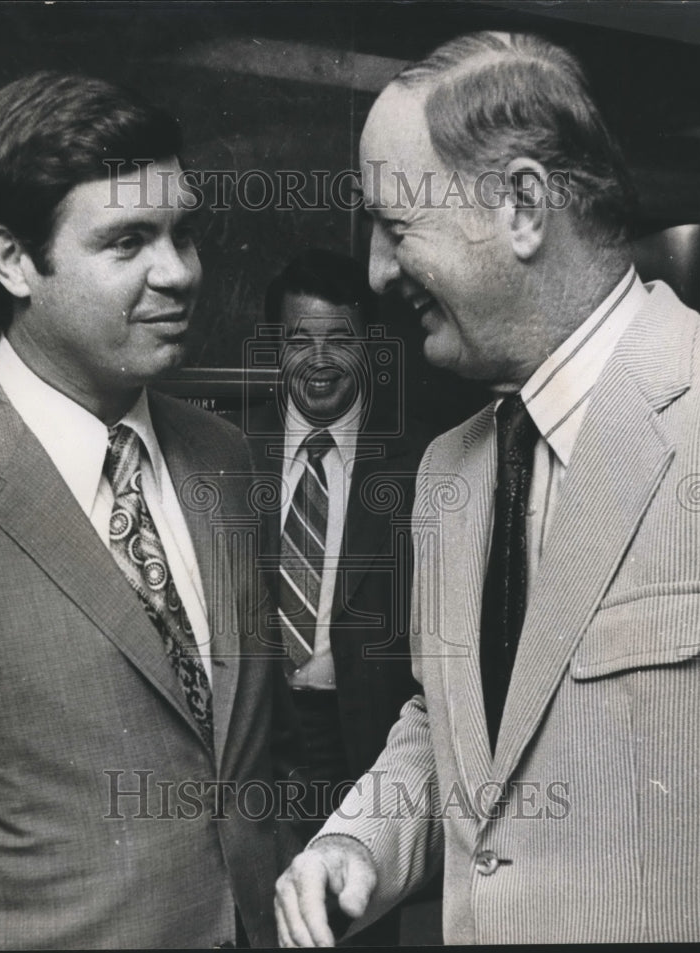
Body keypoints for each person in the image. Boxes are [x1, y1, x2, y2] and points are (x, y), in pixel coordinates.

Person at [275, 31, 700, 945]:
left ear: (524, 205)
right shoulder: (447, 474)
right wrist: (363, 842)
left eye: (396, 225)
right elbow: (457, 730)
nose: (374, 270)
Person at [0, 71, 299, 950]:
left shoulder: (224, 460)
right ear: (13, 261)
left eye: (183, 233)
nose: (179, 272)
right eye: (127, 242)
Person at [248, 250, 425, 945]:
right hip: (258, 742)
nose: (319, 361)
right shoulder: (227, 452)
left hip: (367, 748)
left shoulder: (417, 465)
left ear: (369, 348)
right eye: (299, 339)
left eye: (340, 339)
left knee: (352, 920)